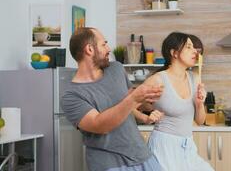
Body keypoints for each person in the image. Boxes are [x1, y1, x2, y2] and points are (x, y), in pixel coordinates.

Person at [60, 27, 164, 171]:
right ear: (89, 49)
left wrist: (147, 102)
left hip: (143, 155)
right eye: (104, 44)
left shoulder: (116, 68)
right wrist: (134, 98)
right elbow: (100, 125)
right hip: (110, 164)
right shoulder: (71, 96)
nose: (108, 49)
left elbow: (130, 107)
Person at [134, 32, 214, 171]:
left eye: (194, 48)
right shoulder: (158, 80)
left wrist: (200, 103)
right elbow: (129, 105)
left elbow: (200, 121)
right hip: (163, 147)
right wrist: (146, 117)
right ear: (174, 53)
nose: (195, 51)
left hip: (187, 146)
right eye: (189, 47)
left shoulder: (195, 78)